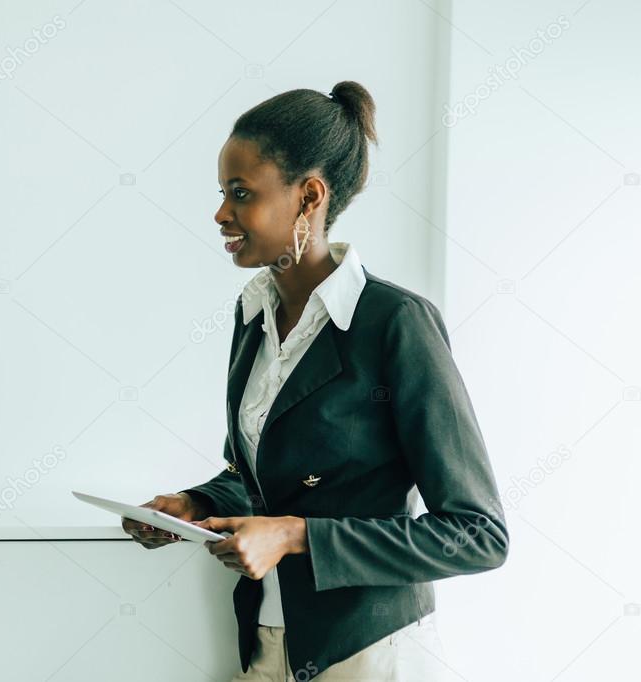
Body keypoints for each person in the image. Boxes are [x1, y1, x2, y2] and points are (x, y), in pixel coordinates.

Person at [122, 81, 508, 681]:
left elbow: (477, 534)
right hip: (269, 645)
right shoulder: (252, 317)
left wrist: (298, 537)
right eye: (223, 193)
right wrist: (194, 504)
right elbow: (255, 478)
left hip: (371, 652)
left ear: (309, 197)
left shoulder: (395, 323)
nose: (221, 213)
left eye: (241, 194)